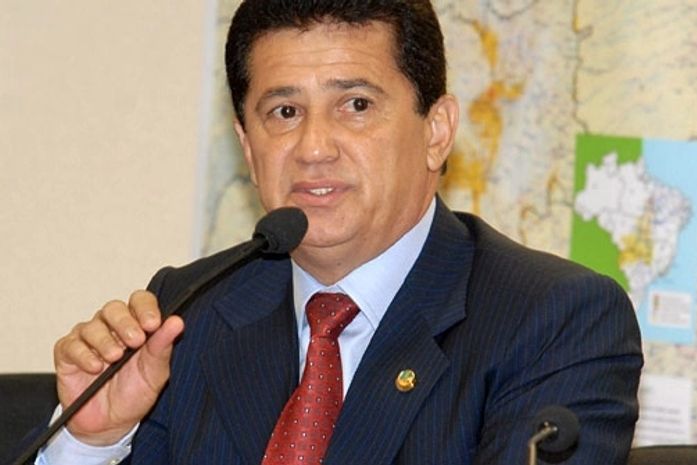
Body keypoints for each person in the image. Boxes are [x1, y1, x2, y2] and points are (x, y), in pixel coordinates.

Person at [33, 1, 643, 464]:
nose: (314, 147)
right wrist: (92, 441)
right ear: (248, 147)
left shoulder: (553, 319)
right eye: (284, 112)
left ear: (436, 131)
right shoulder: (188, 314)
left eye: (355, 105)